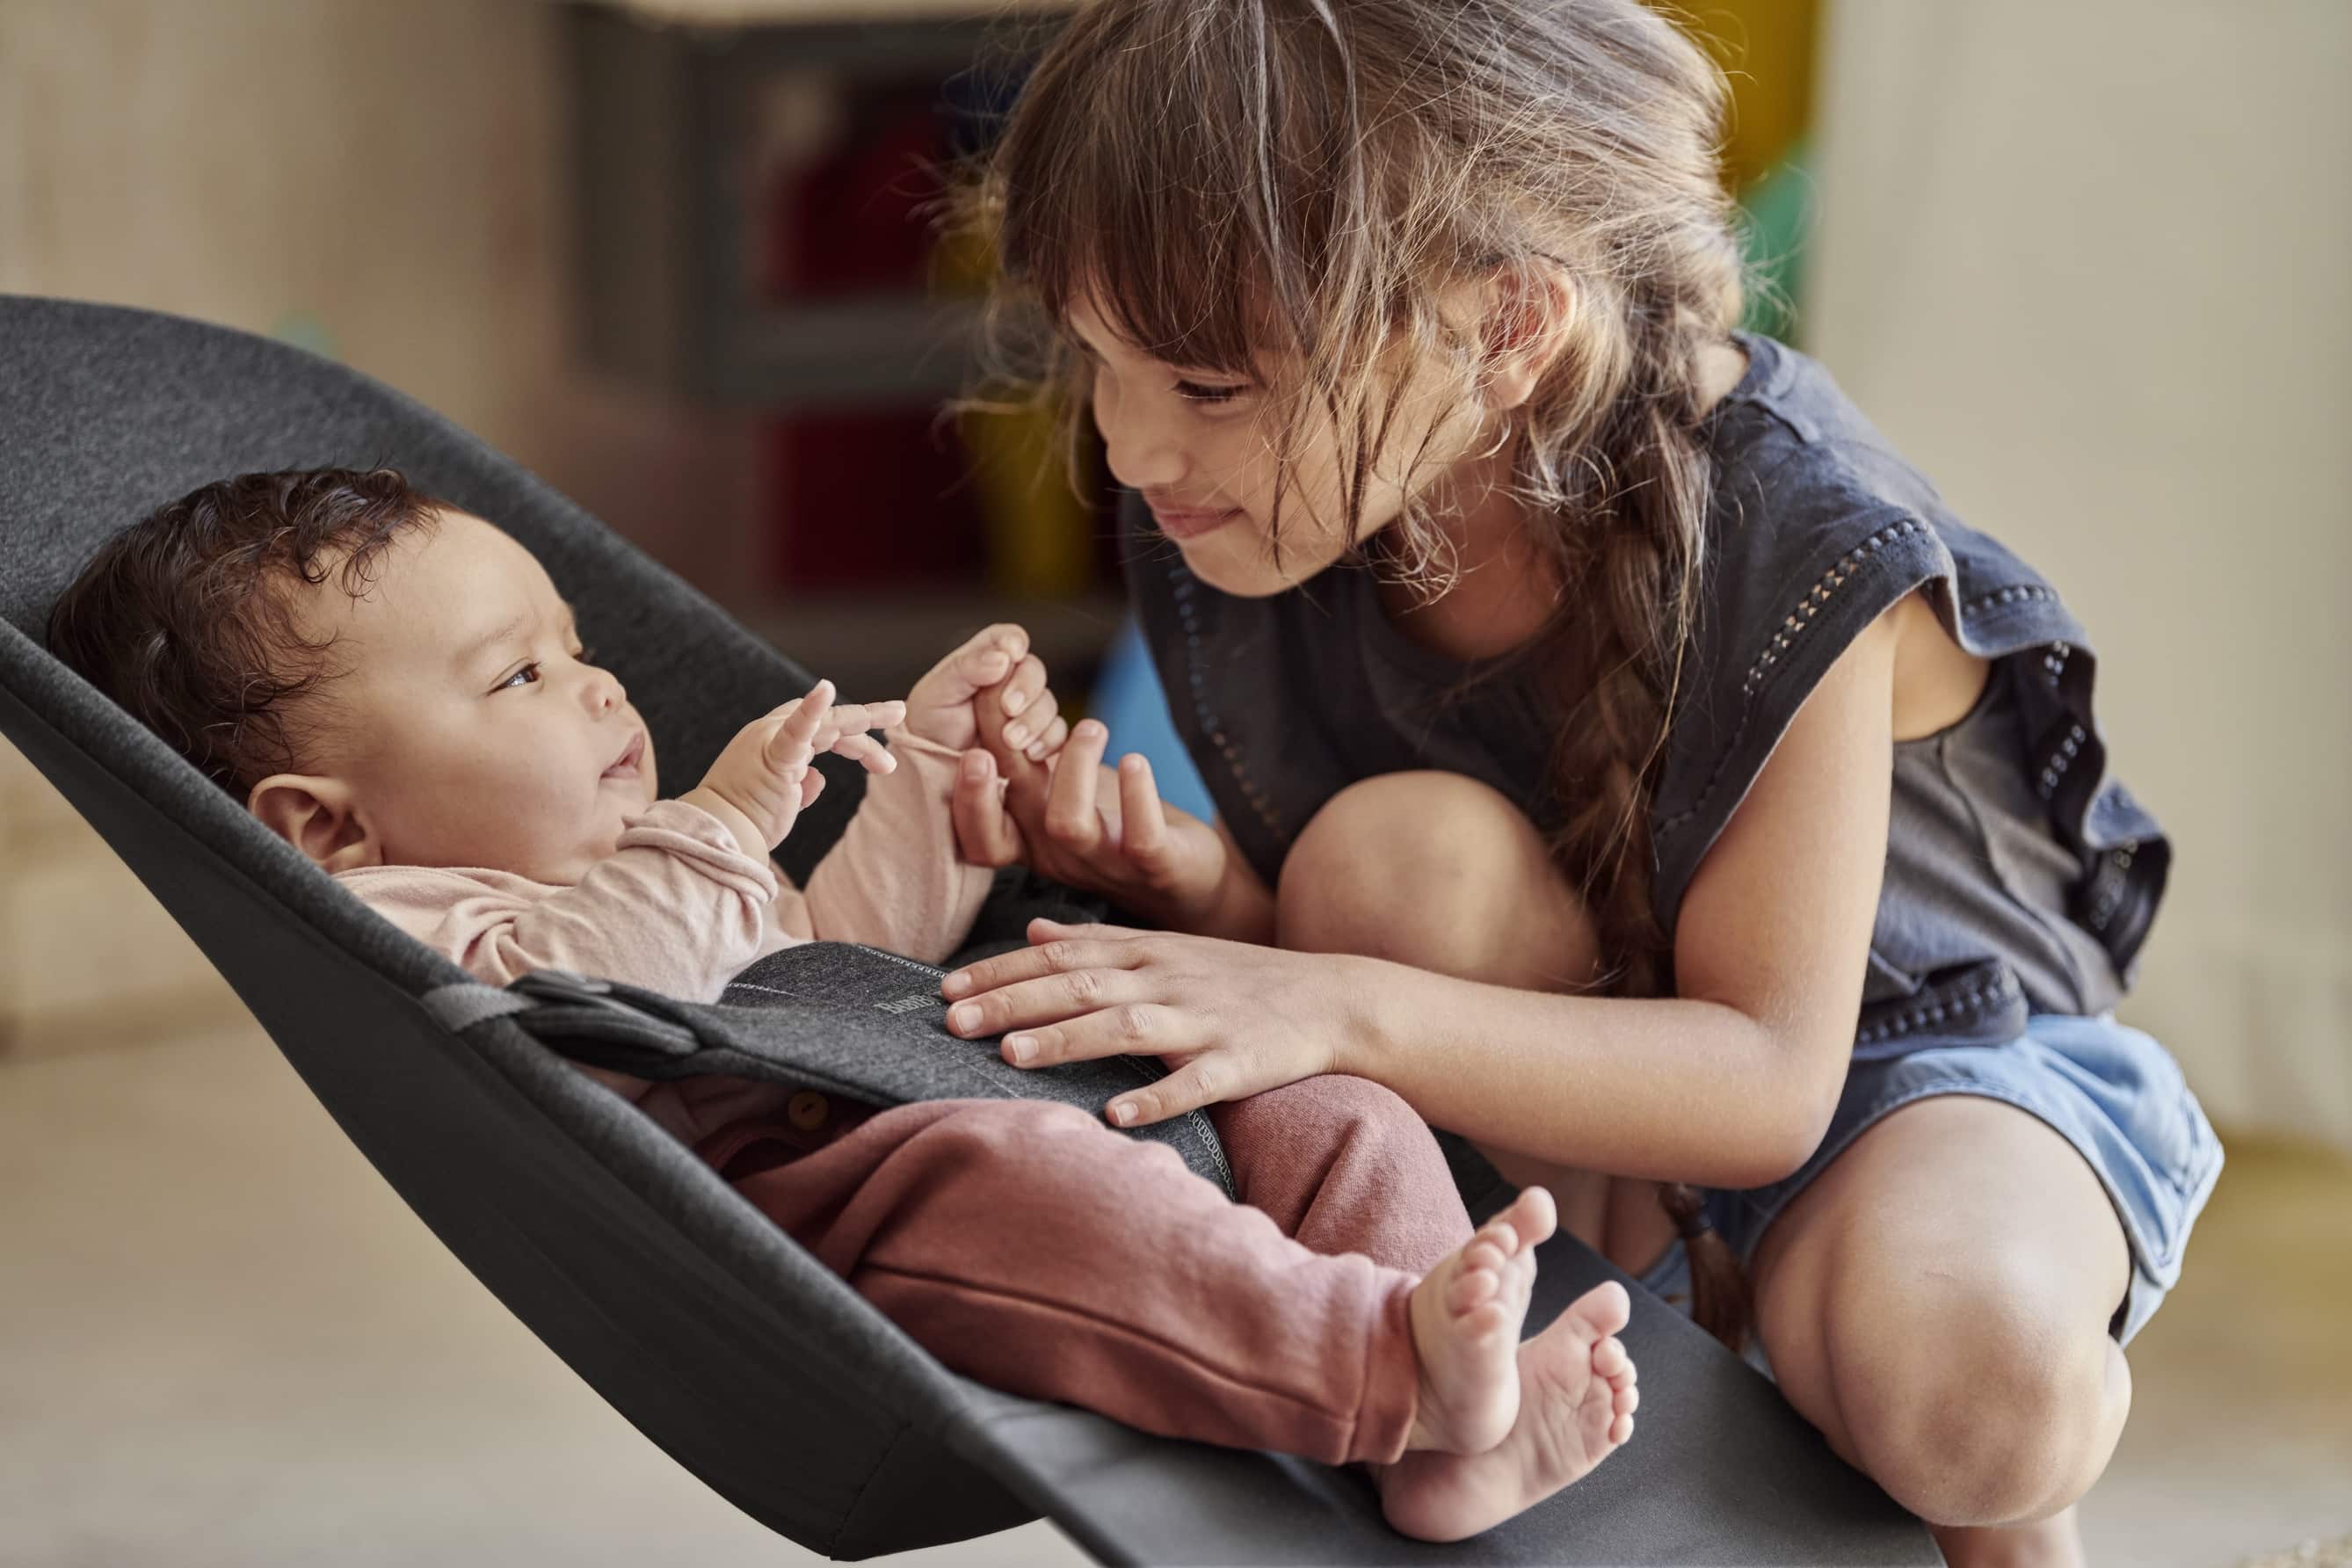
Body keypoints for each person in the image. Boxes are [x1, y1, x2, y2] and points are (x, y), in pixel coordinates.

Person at [934, 2, 2223, 1561]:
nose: (1130, 446)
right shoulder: (1241, 496)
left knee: (1975, 1389)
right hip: (1573, 1125)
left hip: (1911, 1078)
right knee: (1395, 859)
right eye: (1094, 355)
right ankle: (1591, 1443)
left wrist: (1327, 1002)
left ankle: (1994, 1484)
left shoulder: (1800, 529)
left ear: (1508, 325)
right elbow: (1384, 944)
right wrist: (1206, 901)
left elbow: (1764, 1079)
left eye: (1206, 384)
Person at [46, 466, 1639, 1543]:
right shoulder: (426, 918)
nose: (603, 690)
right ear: (326, 825)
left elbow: (823, 969)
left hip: (942, 1076)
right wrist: (724, 826)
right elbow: (635, 989)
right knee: (1051, 1185)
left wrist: (936, 787)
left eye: (578, 647)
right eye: (518, 680)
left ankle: (1456, 1408)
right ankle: (1382, 1368)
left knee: (1329, 1102)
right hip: (844, 1189)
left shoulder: (659, 864)